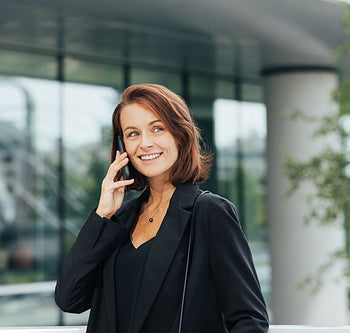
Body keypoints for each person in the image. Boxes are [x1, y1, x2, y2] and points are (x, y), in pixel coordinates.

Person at [54, 83, 269, 333]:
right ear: (122, 148)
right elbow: (69, 299)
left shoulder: (210, 213)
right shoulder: (119, 219)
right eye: (133, 134)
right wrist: (102, 216)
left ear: (179, 134)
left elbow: (249, 319)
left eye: (157, 128)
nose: (145, 143)